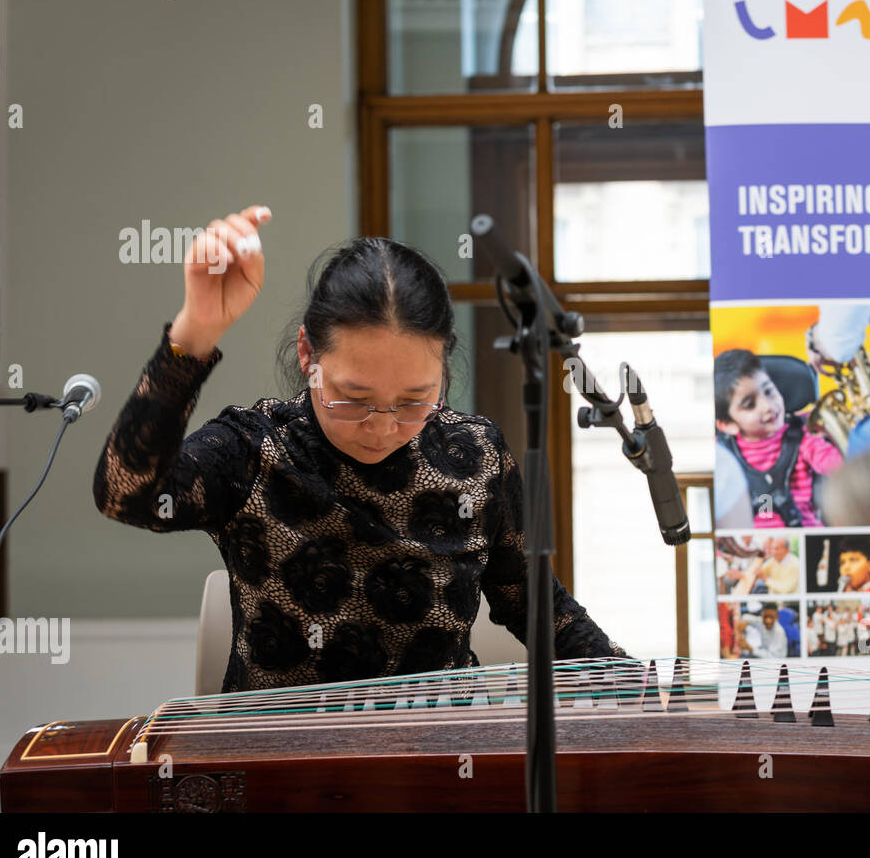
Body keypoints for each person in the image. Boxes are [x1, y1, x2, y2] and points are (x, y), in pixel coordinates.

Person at [93, 210, 628, 692]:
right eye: (352, 399)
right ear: (308, 354)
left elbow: (531, 602)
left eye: (415, 401)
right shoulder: (254, 449)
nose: (381, 426)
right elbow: (126, 494)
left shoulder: (477, 456)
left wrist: (638, 689)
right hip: (283, 768)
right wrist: (194, 335)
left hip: (437, 763)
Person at [715, 349, 843, 527]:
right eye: (750, 405)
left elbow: (837, 466)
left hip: (805, 536)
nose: (768, 406)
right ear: (727, 424)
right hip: (751, 543)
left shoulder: (803, 436)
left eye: (769, 391)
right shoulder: (722, 453)